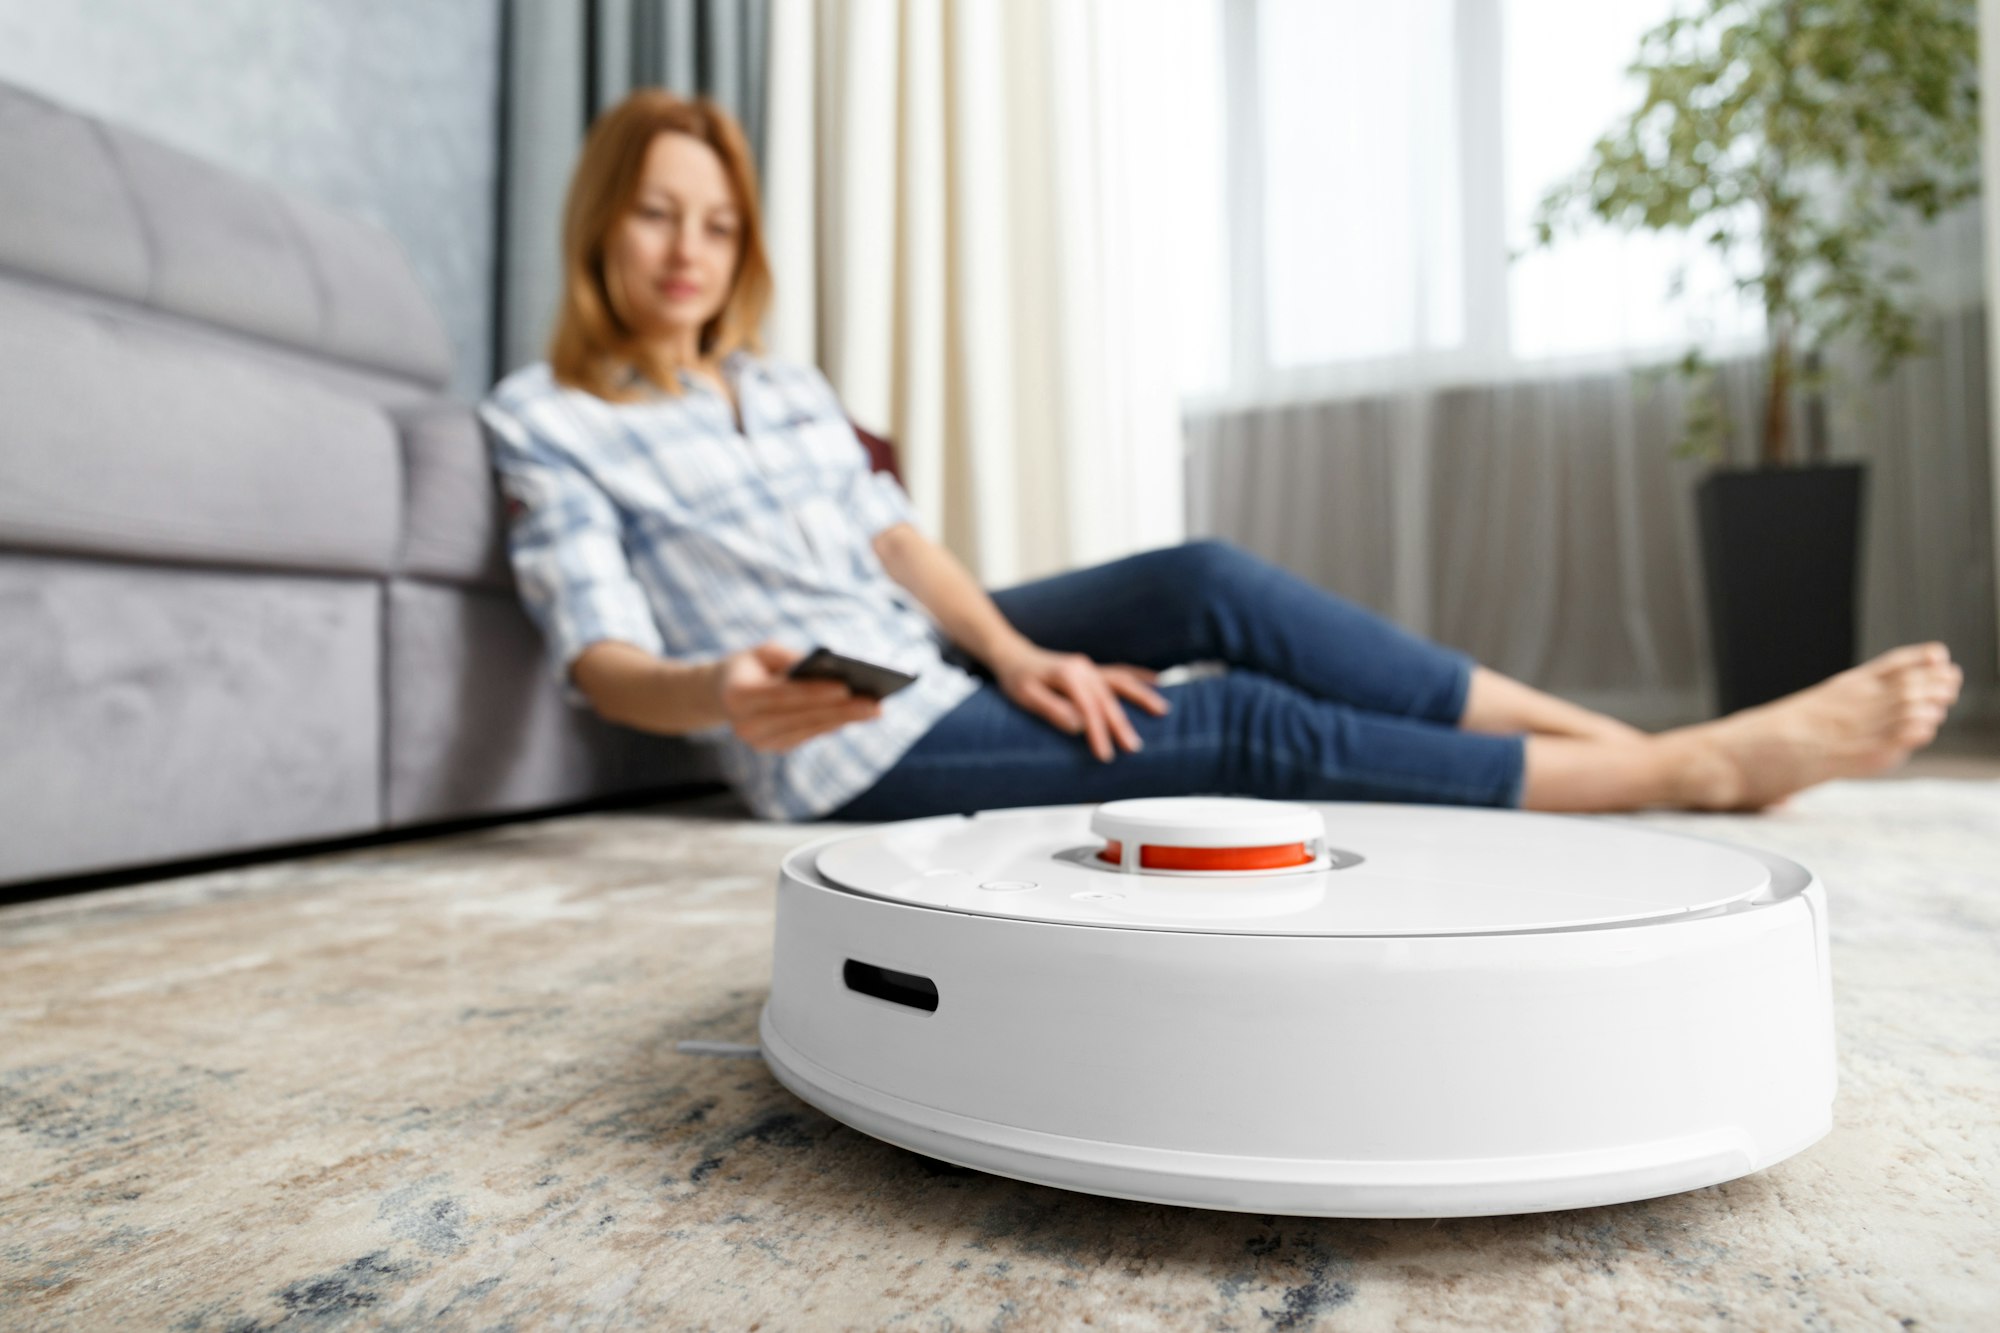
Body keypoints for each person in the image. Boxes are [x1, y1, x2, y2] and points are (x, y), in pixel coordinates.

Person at [478, 91, 1962, 824]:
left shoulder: (779, 384)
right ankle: (1685, 769)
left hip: (929, 647)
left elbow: (895, 539)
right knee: (1240, 721)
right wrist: (719, 695)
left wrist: (1017, 651)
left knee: (1205, 580)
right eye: (658, 213)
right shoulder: (545, 416)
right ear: (602, 223)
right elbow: (599, 658)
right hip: (844, 737)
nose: (689, 249)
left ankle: (1620, 743)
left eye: (718, 221)